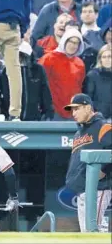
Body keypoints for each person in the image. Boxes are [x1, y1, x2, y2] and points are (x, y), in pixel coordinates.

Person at [64, 93, 112, 232]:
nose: (73, 113)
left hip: (98, 188)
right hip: (82, 188)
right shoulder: (79, 132)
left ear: (88, 108)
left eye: (77, 109)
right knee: (89, 231)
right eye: (72, 110)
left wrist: (104, 170)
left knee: (92, 230)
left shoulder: (104, 127)